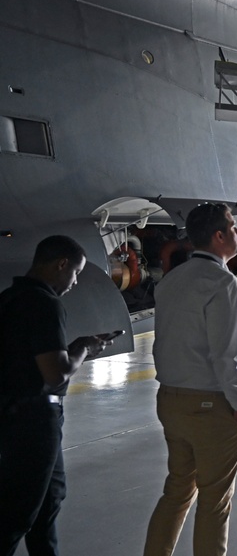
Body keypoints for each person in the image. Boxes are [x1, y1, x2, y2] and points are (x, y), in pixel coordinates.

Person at [143, 203, 237, 556]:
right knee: (215, 501)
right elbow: (225, 355)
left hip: (171, 401)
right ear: (219, 237)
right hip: (210, 406)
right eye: (233, 229)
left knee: (176, 491)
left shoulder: (171, 280)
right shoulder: (222, 283)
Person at [0, 235, 113, 556]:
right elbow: (56, 373)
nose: (75, 281)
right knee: (19, 513)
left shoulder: (9, 297)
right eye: (75, 272)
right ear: (61, 264)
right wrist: (83, 348)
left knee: (49, 500)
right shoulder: (45, 304)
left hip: (13, 413)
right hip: (34, 421)